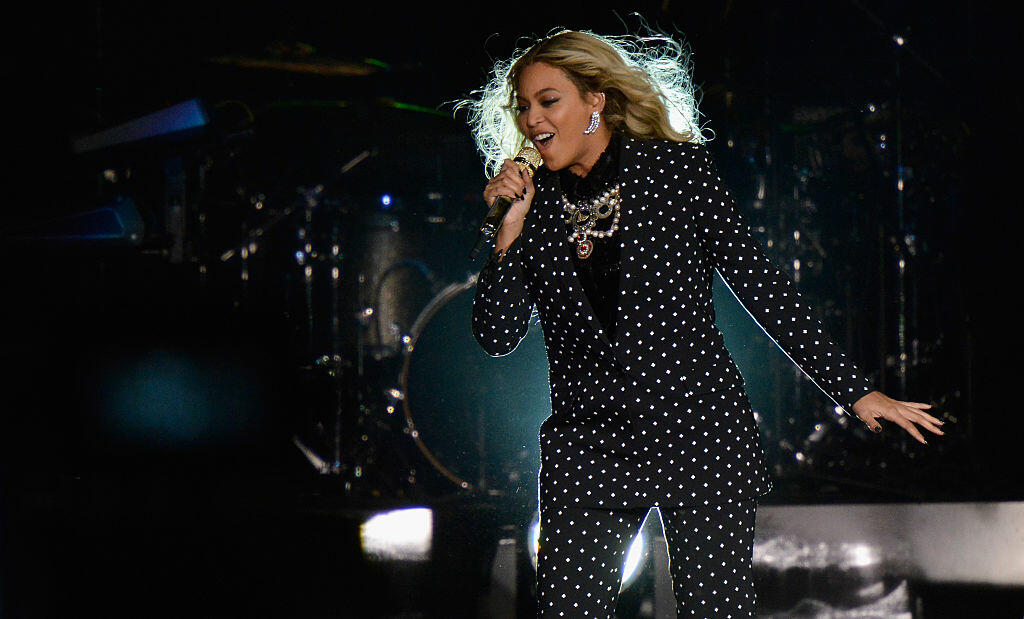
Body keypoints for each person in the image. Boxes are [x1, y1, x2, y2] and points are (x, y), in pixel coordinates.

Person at [460, 29, 945, 617]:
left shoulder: (675, 172)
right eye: (523, 106)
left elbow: (761, 286)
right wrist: (506, 236)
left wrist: (856, 391)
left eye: (548, 100)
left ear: (597, 100)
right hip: (588, 446)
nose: (532, 118)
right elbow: (496, 334)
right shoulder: (532, 206)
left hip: (696, 430)